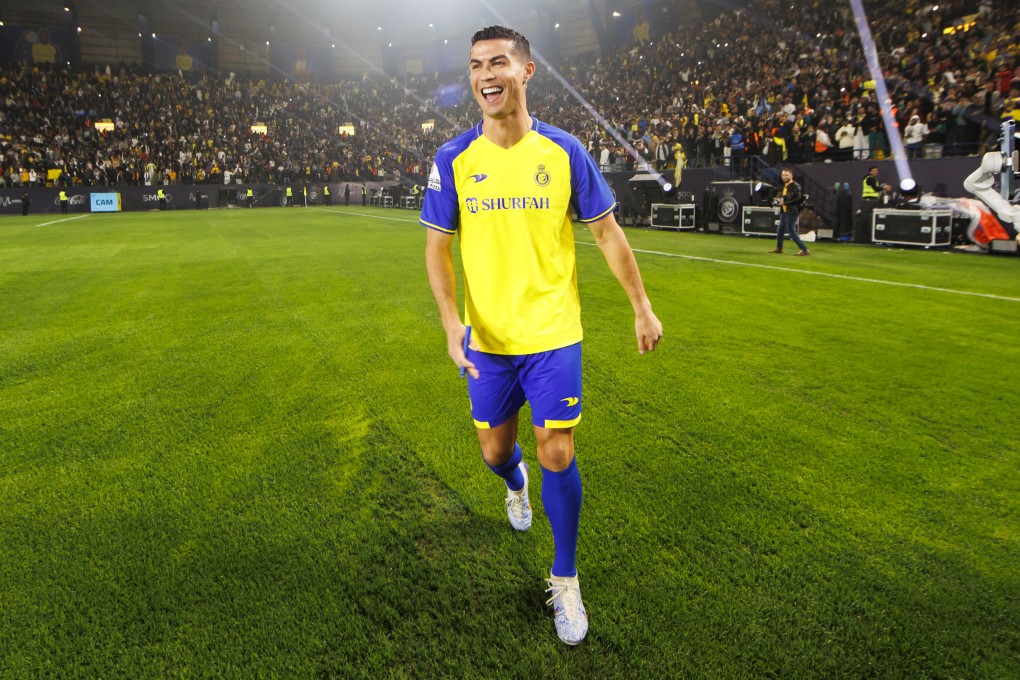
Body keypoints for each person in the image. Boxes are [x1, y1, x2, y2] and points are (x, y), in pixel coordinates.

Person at [421, 25, 662, 647]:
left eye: (498, 61)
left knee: (559, 449)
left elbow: (607, 234)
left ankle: (566, 577)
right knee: (496, 453)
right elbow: (437, 249)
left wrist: (642, 306)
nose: (485, 74)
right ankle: (514, 483)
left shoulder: (564, 152)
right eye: (476, 65)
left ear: (527, 72)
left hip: (555, 333)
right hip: (489, 342)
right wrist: (452, 324)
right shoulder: (453, 159)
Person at [770, 167, 809, 255]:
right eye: (783, 175)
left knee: (791, 230)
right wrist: (779, 200)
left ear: (791, 175)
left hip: (792, 211)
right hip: (784, 211)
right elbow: (786, 197)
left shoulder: (795, 185)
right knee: (780, 229)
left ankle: (804, 249)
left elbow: (798, 199)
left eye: (786, 175)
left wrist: (785, 202)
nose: (784, 177)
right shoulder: (785, 186)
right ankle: (779, 248)